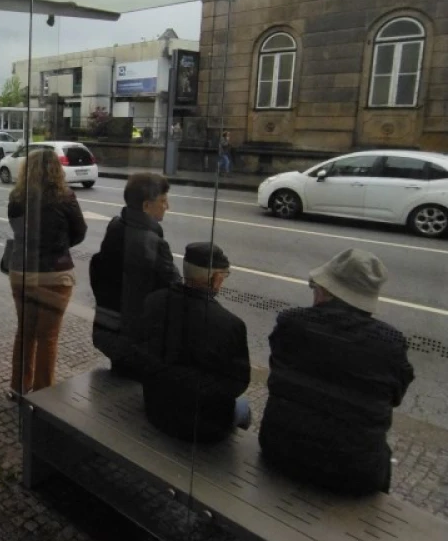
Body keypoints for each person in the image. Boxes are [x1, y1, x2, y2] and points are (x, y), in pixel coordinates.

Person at [259, 249, 414, 495]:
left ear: (326, 292)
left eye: (315, 286)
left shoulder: (291, 323)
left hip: (281, 450)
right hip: (355, 472)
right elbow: (393, 397)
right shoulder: (390, 343)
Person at [141, 242, 251, 442]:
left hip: (155, 407)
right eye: (224, 276)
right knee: (245, 407)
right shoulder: (230, 324)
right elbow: (237, 384)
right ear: (216, 279)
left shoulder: (153, 301)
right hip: (203, 427)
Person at [7, 148, 87, 395]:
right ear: (56, 170)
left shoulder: (17, 197)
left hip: (22, 272)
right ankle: (43, 395)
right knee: (48, 336)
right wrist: (59, 247)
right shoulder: (66, 197)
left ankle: (19, 387)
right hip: (55, 274)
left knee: (25, 332)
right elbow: (80, 231)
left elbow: (18, 230)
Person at [90, 172, 180, 377]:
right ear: (147, 206)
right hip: (136, 339)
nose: (168, 206)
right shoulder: (154, 243)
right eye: (163, 201)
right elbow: (174, 287)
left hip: (107, 324)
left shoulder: (115, 226)